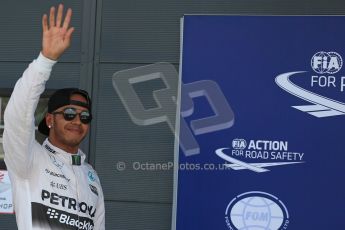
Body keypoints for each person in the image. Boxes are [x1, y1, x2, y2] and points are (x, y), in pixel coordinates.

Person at [3, 4, 105, 230]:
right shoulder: (29, 160)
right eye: (69, 114)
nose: (77, 120)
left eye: (84, 116)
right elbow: (17, 116)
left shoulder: (92, 177)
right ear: (50, 120)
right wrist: (46, 60)